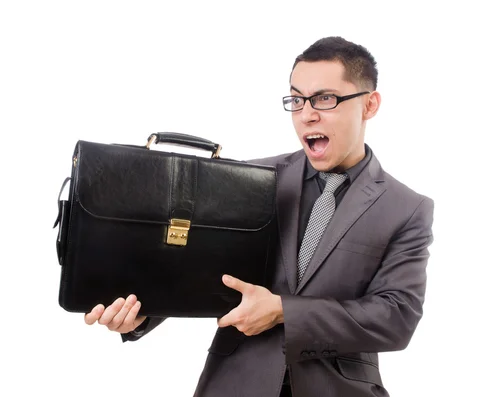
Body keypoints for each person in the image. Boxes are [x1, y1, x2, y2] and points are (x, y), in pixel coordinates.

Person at [84, 36, 435, 397]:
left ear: (369, 105)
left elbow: (395, 318)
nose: (307, 114)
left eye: (325, 99)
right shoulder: (251, 180)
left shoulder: (406, 208)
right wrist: (143, 314)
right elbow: (198, 271)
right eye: (297, 99)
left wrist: (284, 310)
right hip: (236, 383)